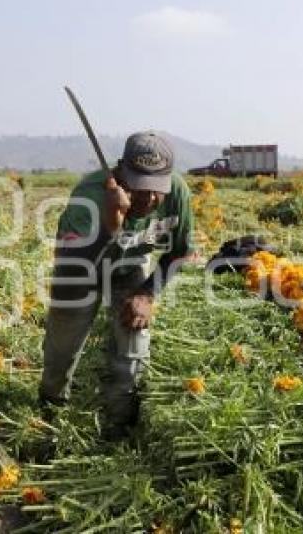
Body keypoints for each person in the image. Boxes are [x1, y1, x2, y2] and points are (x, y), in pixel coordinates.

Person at [39, 131, 195, 439]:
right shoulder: (91, 194)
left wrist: (148, 293)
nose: (148, 199)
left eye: (156, 189)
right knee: (62, 351)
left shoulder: (178, 193)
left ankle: (118, 429)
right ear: (121, 171)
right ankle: (49, 416)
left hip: (129, 268)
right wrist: (111, 226)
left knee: (134, 344)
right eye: (139, 188)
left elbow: (182, 252)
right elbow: (72, 260)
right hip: (80, 270)